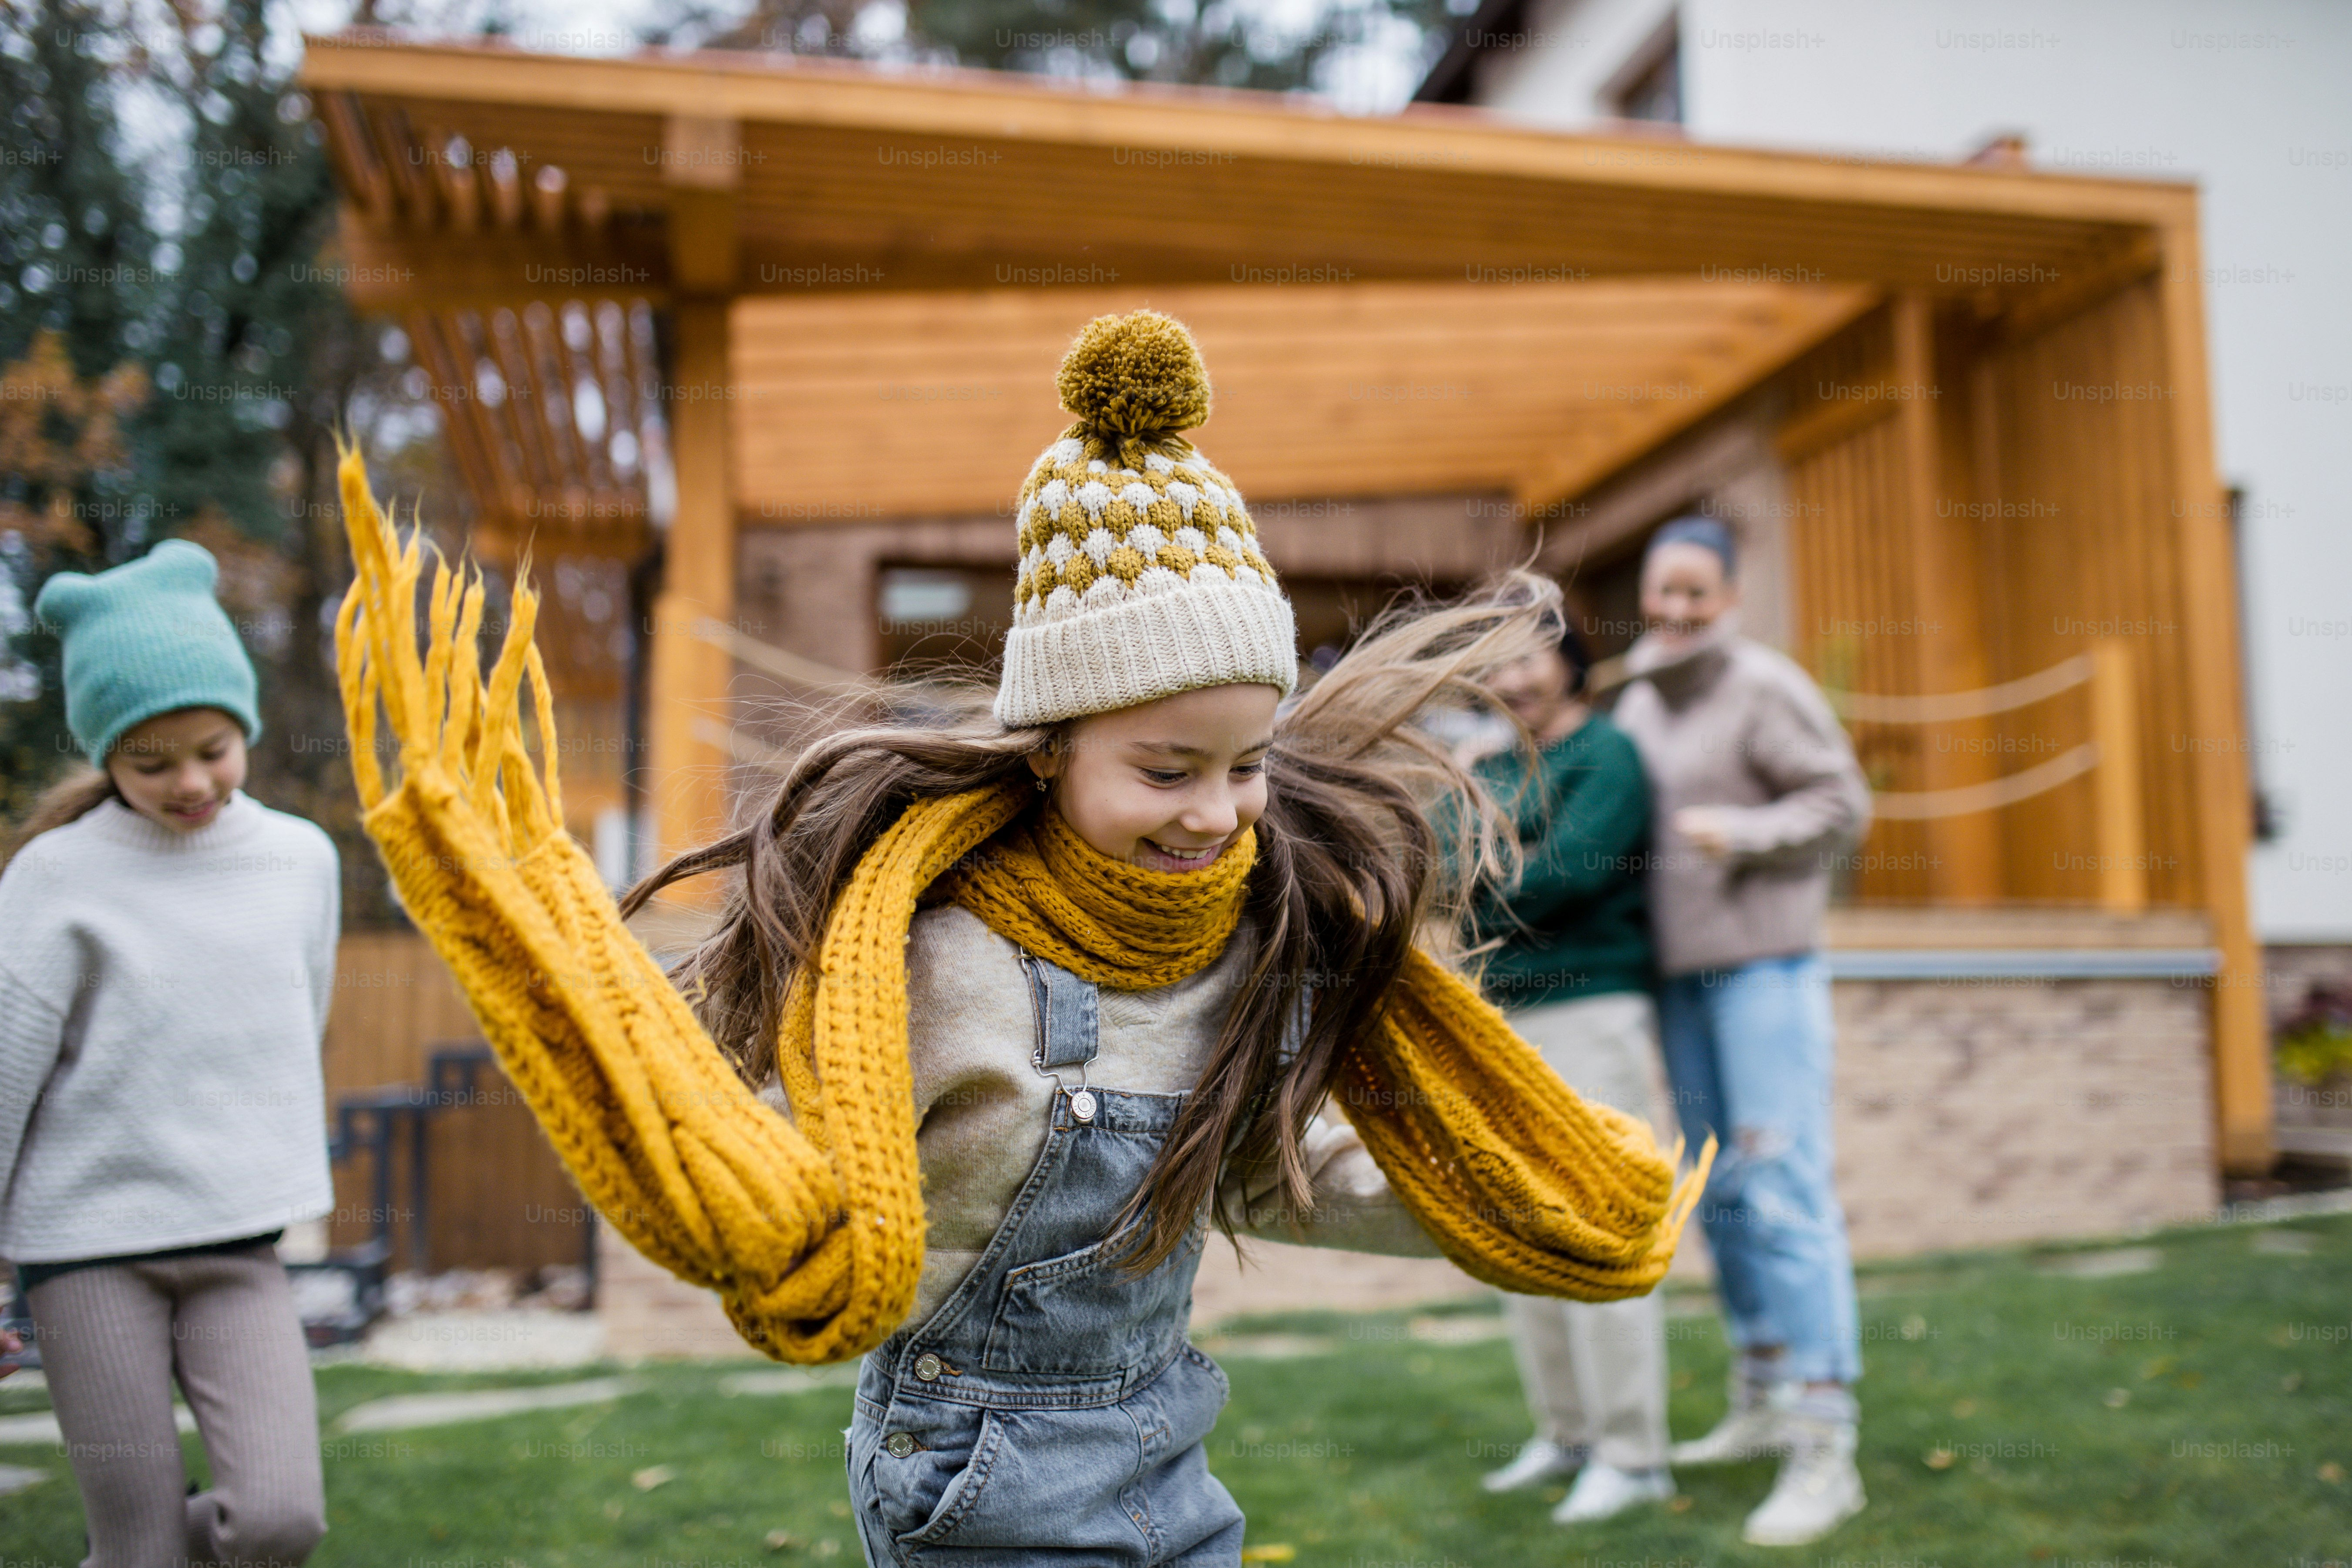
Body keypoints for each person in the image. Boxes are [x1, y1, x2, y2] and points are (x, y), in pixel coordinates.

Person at [326, 310, 1709, 1566]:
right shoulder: (935, 959)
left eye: (1247, 766)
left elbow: (1255, 1172)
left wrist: (1496, 1198)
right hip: (974, 1480)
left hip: (1168, 1453)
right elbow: (798, 1142)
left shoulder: (1245, 946)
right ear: (1048, 749)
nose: (1214, 816)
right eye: (1165, 771)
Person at [0, 541, 339, 1566]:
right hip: (87, 1250)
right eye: (152, 764)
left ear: (242, 726)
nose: (190, 781)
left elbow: (298, 1021)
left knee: (280, 1522)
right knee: (140, 1546)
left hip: (240, 1239)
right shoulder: (55, 877)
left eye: (211, 749)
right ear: (107, 756)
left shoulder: (299, 858)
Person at [1611, 515, 1873, 1548]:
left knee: (1782, 1183)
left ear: (1726, 598)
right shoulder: (1633, 701)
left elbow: (1840, 801)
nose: (1675, 610)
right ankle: (1761, 1394)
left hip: (1763, 971)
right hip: (1679, 982)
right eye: (1661, 591)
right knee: (1716, 1189)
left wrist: (1746, 834)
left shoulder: (1763, 687)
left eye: (1695, 593)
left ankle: (1826, 1440)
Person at [1469, 612, 1679, 1524]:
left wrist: (1491, 863)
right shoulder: (1481, 768)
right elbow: (1440, 862)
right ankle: (1565, 1435)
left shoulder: (1610, 754)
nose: (1511, 677)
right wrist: (1495, 860)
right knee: (1521, 1226)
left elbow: (1561, 877)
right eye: (1496, 662)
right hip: (1502, 1023)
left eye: (1528, 654)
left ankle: (1633, 1455)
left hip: (1592, 1007)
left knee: (1601, 1223)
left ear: (1568, 661)